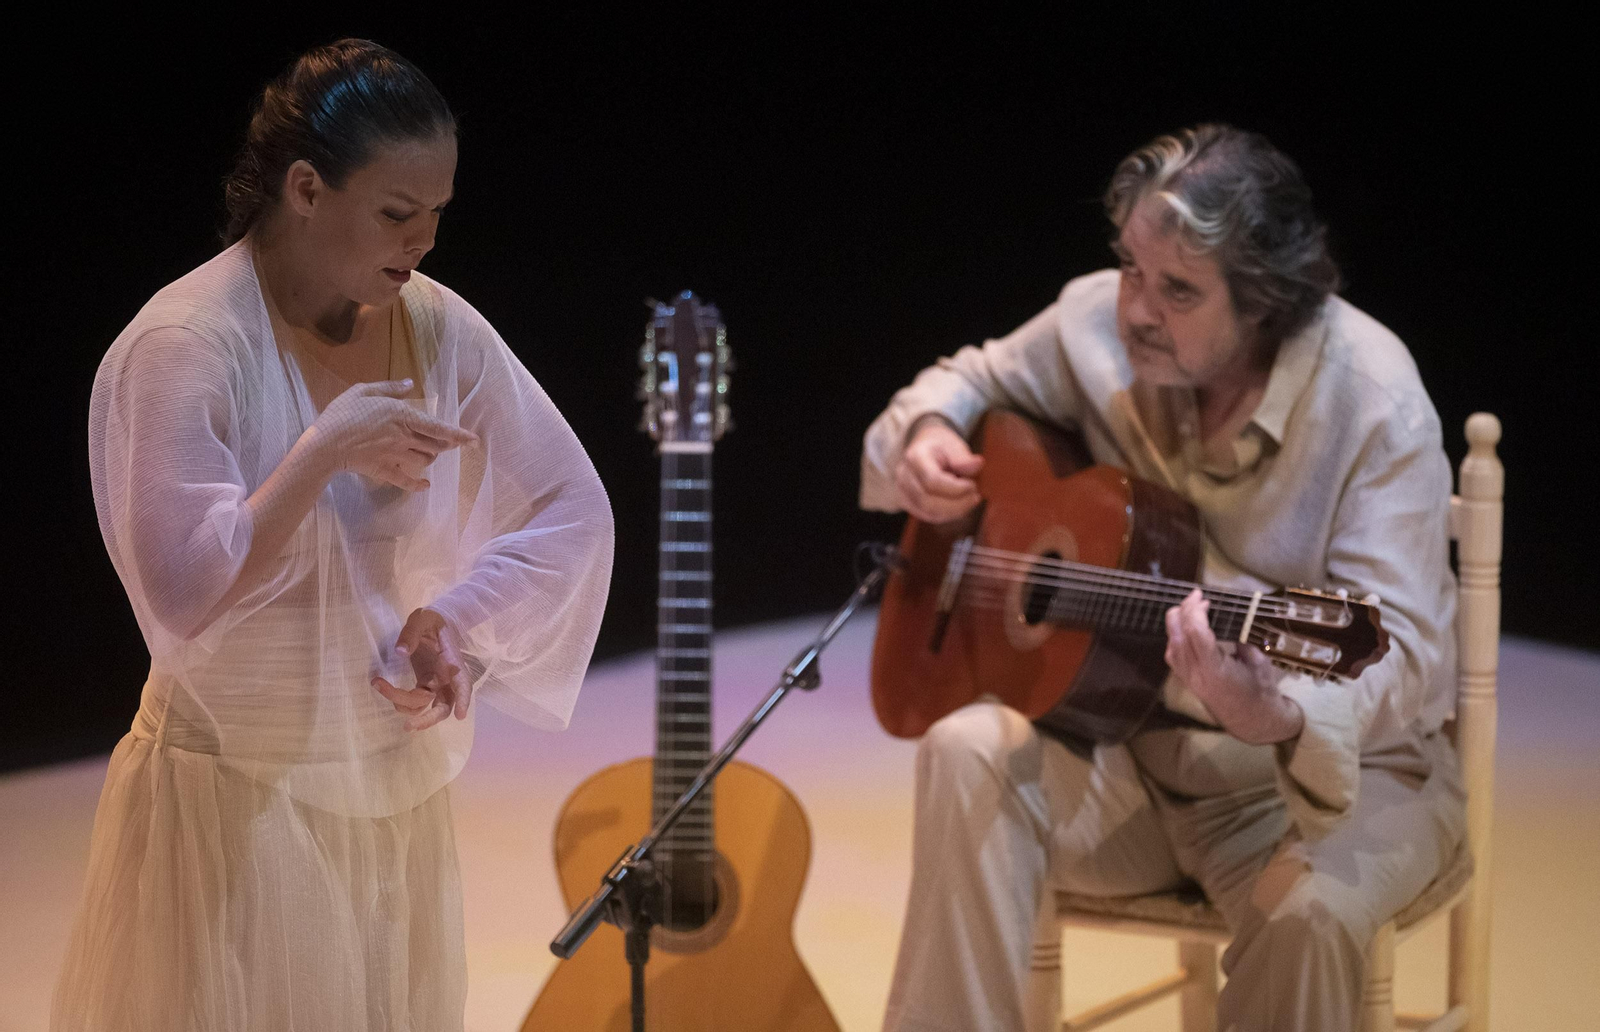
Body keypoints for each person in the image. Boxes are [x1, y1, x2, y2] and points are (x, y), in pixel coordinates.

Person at [52, 39, 614, 1032]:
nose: (424, 240)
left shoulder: (434, 323)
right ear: (306, 188)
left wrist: (454, 617)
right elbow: (182, 594)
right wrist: (321, 453)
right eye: (398, 213)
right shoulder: (185, 344)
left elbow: (571, 504)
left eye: (438, 213)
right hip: (236, 807)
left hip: (388, 794)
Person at [861, 124, 1464, 1032]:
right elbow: (961, 382)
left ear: (1264, 300)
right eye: (1132, 270)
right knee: (966, 748)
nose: (1136, 309)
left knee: (1308, 918)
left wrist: (1286, 713)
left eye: (1178, 290)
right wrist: (927, 438)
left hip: (1340, 782)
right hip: (1133, 763)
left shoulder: (1374, 403)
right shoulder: (1095, 325)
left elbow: (1404, 654)